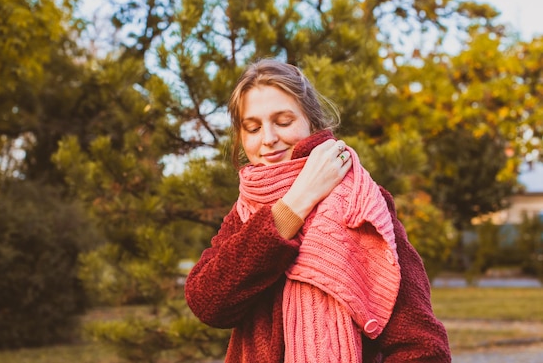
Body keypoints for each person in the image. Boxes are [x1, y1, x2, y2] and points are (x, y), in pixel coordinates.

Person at [184, 59, 451, 362]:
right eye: (253, 127)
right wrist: (297, 202)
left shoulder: (359, 200)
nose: (268, 139)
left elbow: (422, 345)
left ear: (311, 122)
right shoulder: (245, 211)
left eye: (283, 122)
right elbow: (208, 302)